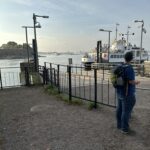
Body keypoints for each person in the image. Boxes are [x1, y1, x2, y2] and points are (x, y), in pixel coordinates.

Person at [116, 51, 140, 134]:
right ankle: (124, 129)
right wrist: (136, 82)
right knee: (126, 111)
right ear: (131, 58)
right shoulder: (129, 68)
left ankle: (119, 125)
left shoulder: (120, 65)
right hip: (127, 92)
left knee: (119, 109)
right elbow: (131, 81)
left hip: (119, 91)